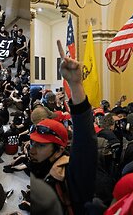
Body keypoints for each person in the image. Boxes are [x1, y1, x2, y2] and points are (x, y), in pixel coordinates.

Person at [28, 40, 97, 214]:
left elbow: (85, 140)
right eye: (33, 143)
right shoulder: (35, 165)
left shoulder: (70, 176)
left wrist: (75, 85)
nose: (32, 150)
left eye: (41, 145)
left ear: (59, 150)